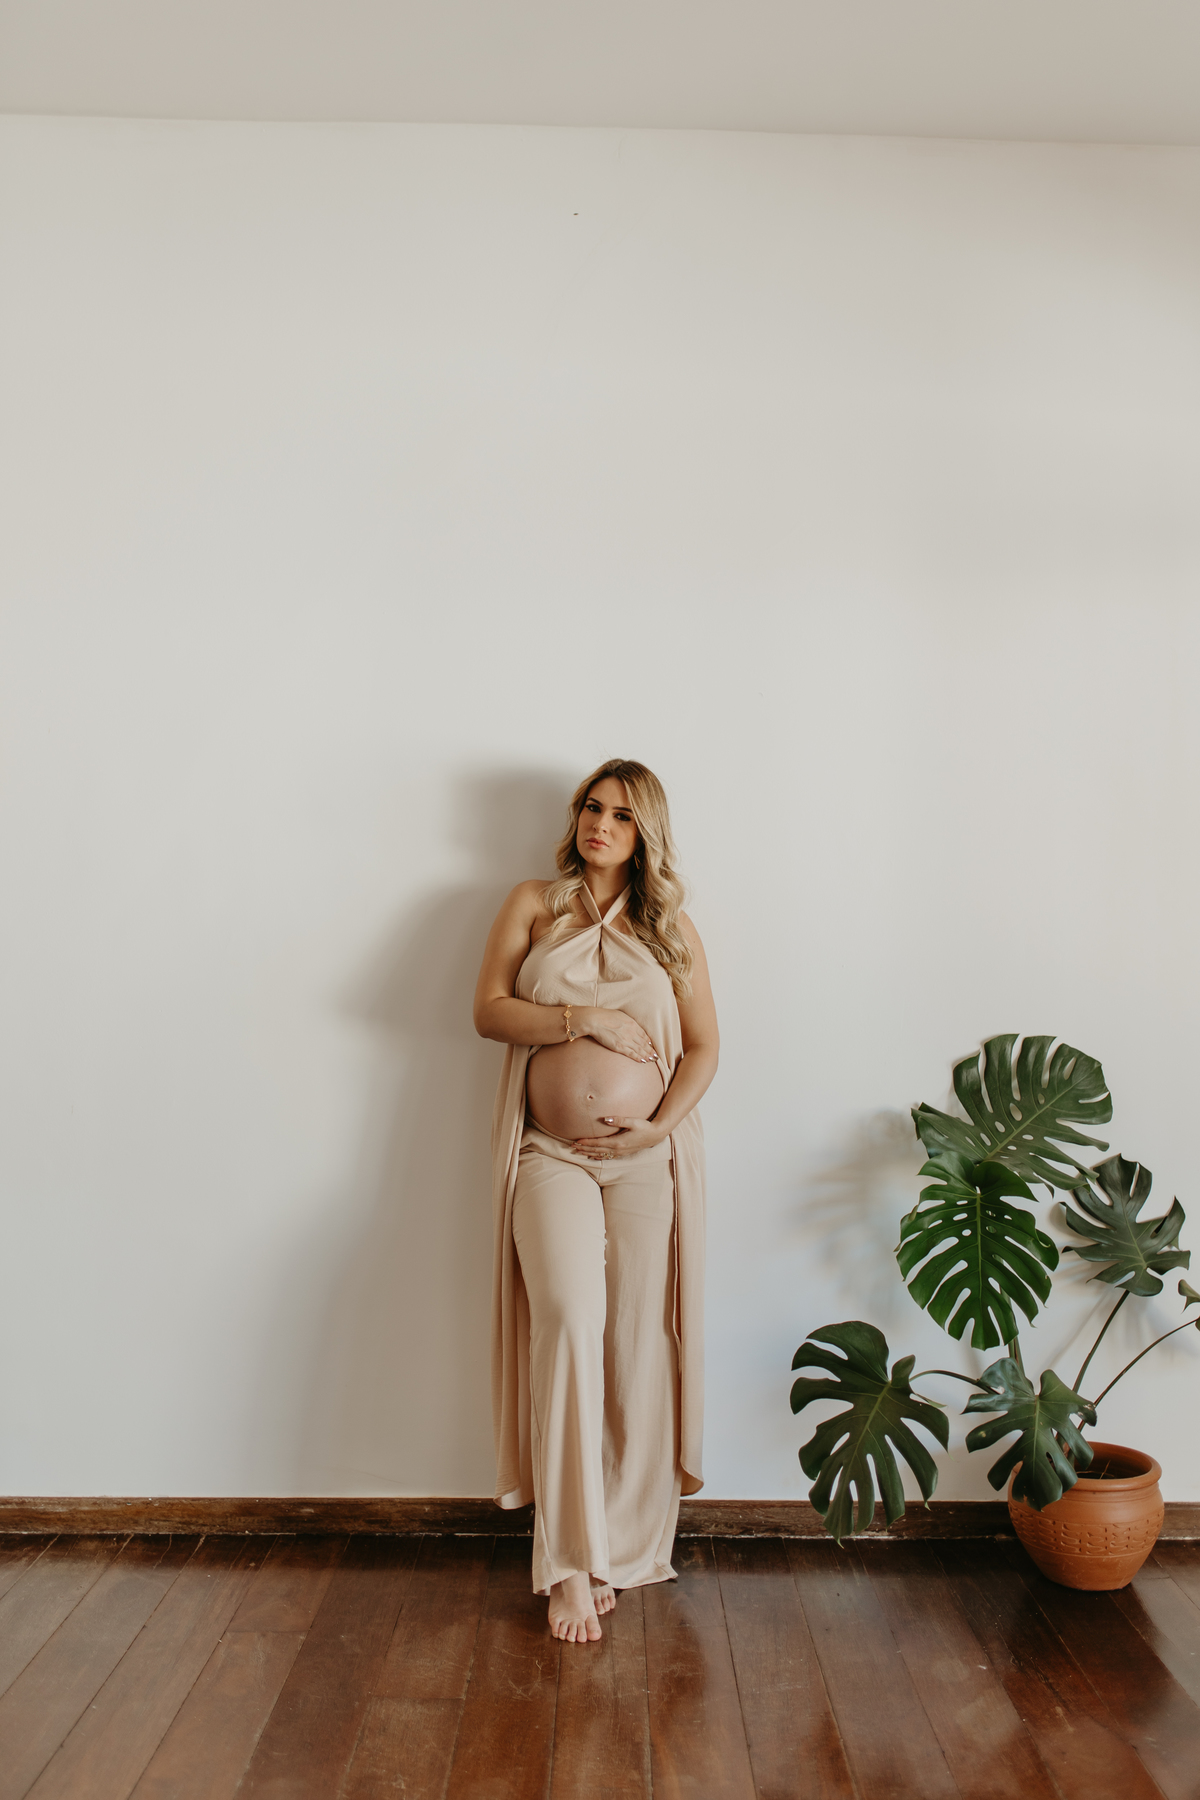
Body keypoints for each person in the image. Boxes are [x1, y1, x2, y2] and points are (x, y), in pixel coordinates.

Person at [474, 759, 718, 1643]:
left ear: (645, 832)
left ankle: (624, 1544)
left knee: (637, 1342)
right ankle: (570, 1561)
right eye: (591, 806)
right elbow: (489, 1011)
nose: (600, 824)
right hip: (551, 1154)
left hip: (644, 1161)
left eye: (620, 814)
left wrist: (657, 1129)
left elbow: (704, 1049)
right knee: (571, 1320)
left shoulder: (672, 927)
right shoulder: (535, 904)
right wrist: (586, 1020)